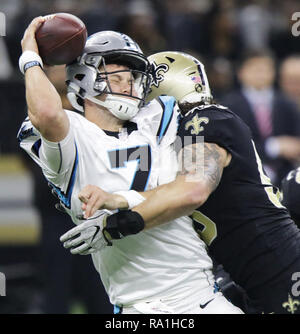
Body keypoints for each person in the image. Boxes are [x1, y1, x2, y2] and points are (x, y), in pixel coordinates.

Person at [17, 17, 242, 314]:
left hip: (200, 293)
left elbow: (201, 111)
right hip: (136, 305)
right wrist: (31, 58)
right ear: (84, 75)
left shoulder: (157, 119)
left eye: (134, 76)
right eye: (118, 74)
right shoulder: (74, 140)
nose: (130, 83)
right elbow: (46, 113)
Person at [73, 51, 300, 314]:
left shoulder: (203, 119)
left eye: (142, 85)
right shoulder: (182, 137)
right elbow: (150, 177)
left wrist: (118, 223)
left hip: (280, 273)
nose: (138, 98)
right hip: (252, 276)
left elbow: (193, 189)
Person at [222, 51, 300, 186]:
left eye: (266, 69)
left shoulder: (288, 104)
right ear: (241, 72)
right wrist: (273, 146)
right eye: (255, 69)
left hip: (285, 175)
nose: (261, 74)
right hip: (245, 177)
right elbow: (232, 145)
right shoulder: (229, 106)